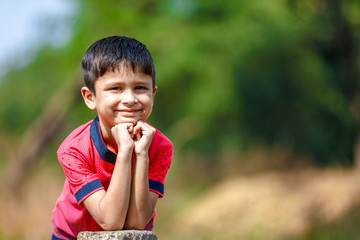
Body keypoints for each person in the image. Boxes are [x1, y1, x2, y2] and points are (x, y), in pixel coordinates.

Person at [51, 36, 173, 240]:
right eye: (116, 88)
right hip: (71, 237)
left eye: (140, 88)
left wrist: (141, 153)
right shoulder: (74, 149)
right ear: (91, 98)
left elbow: (137, 223)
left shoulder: (159, 147)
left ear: (153, 93)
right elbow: (111, 221)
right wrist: (125, 151)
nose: (130, 99)